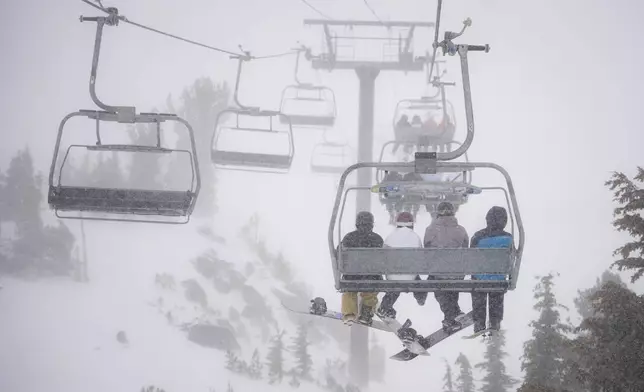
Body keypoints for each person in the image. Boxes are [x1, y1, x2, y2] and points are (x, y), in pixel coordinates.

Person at [423, 201, 469, 332]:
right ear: (453, 213)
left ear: (438, 213)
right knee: (451, 285)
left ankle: (450, 316)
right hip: (456, 272)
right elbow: (466, 249)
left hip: (438, 271)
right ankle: (453, 314)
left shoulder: (431, 229)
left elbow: (426, 249)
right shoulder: (460, 230)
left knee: (439, 286)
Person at [376, 212, 427, 319]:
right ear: (411, 224)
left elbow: (382, 257)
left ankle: (385, 307)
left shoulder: (391, 237)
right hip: (410, 276)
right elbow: (421, 259)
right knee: (417, 281)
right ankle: (420, 297)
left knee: (395, 285)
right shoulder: (415, 237)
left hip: (392, 276)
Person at [470, 206, 513, 333]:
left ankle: (479, 322)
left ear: (487, 219)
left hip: (480, 279)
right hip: (498, 278)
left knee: (478, 290)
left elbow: (470, 256)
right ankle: (495, 321)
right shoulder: (509, 238)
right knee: (496, 292)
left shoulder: (478, 236)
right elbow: (511, 257)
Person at [340, 211, 384, 326]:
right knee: (370, 291)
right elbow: (383, 259)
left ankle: (349, 314)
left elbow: (339, 254)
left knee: (349, 291)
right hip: (372, 277)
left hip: (351, 276)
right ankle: (366, 312)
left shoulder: (349, 238)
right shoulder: (377, 239)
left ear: (357, 224)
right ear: (372, 224)